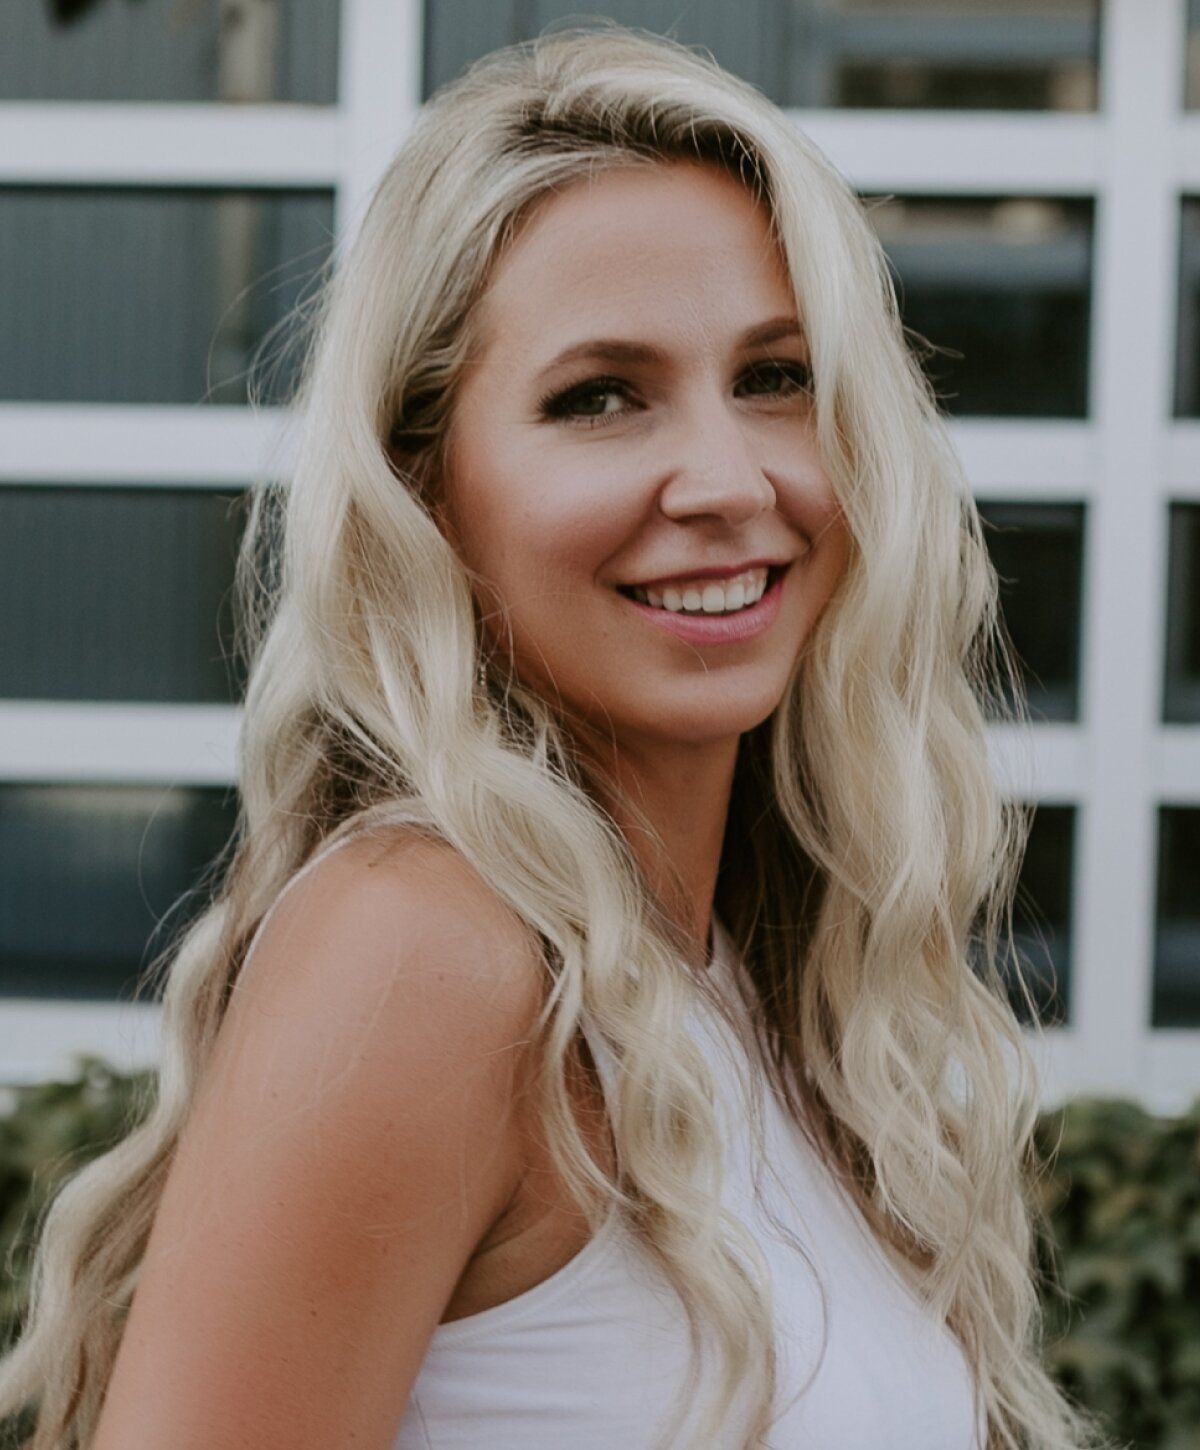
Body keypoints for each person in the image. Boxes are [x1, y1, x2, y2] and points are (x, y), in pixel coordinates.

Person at [0, 23, 1117, 1450]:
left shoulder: (744, 984)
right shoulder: (428, 951)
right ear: (431, 488)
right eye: (600, 396)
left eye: (775, 375)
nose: (725, 478)